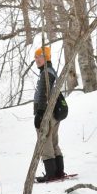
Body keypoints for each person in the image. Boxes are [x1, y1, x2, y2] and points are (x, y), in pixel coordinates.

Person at [33, 46, 64, 182]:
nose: (36, 60)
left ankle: (51, 174)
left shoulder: (46, 73)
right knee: (53, 142)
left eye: (38, 57)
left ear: (46, 57)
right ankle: (59, 172)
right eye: (35, 57)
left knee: (45, 142)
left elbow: (44, 94)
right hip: (53, 114)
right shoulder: (51, 71)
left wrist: (40, 114)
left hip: (46, 114)